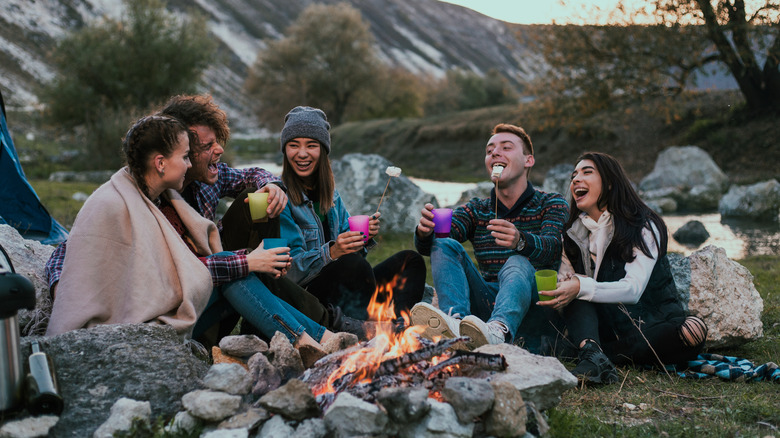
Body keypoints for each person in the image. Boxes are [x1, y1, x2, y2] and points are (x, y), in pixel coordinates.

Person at [44, 95, 361, 339]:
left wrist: (271, 184)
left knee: (257, 206)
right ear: (169, 154)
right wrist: (67, 288)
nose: (219, 150)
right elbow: (73, 249)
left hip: (205, 293)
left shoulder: (205, 180)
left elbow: (248, 176)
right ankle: (326, 333)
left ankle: (310, 331)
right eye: (205, 146)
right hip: (169, 311)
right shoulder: (137, 200)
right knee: (237, 275)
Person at [538, 152, 708, 383]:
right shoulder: (572, 232)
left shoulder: (643, 225)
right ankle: (593, 353)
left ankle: (592, 353)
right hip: (605, 327)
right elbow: (568, 279)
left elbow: (633, 289)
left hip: (650, 323)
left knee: (691, 330)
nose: (576, 179)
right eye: (574, 175)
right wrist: (566, 282)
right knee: (575, 294)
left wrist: (581, 286)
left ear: (609, 182)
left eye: (587, 172)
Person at [411, 123, 568, 350]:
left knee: (517, 261)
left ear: (528, 160)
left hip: (535, 308)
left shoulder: (551, 203)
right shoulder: (478, 209)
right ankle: (454, 324)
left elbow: (553, 247)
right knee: (444, 243)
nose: (495, 153)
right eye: (490, 150)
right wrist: (425, 231)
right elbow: (439, 241)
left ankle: (499, 330)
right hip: (485, 308)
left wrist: (520, 241)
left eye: (506, 147)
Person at [278, 106, 426, 321]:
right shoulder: (280, 197)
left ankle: (399, 324)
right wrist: (333, 252)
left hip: (347, 290)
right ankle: (364, 328)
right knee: (352, 264)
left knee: (411, 260)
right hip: (310, 298)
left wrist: (363, 240)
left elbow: (353, 258)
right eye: (293, 145)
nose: (302, 153)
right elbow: (288, 274)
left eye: (311, 145)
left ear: (323, 150)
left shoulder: (332, 196)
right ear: (285, 150)